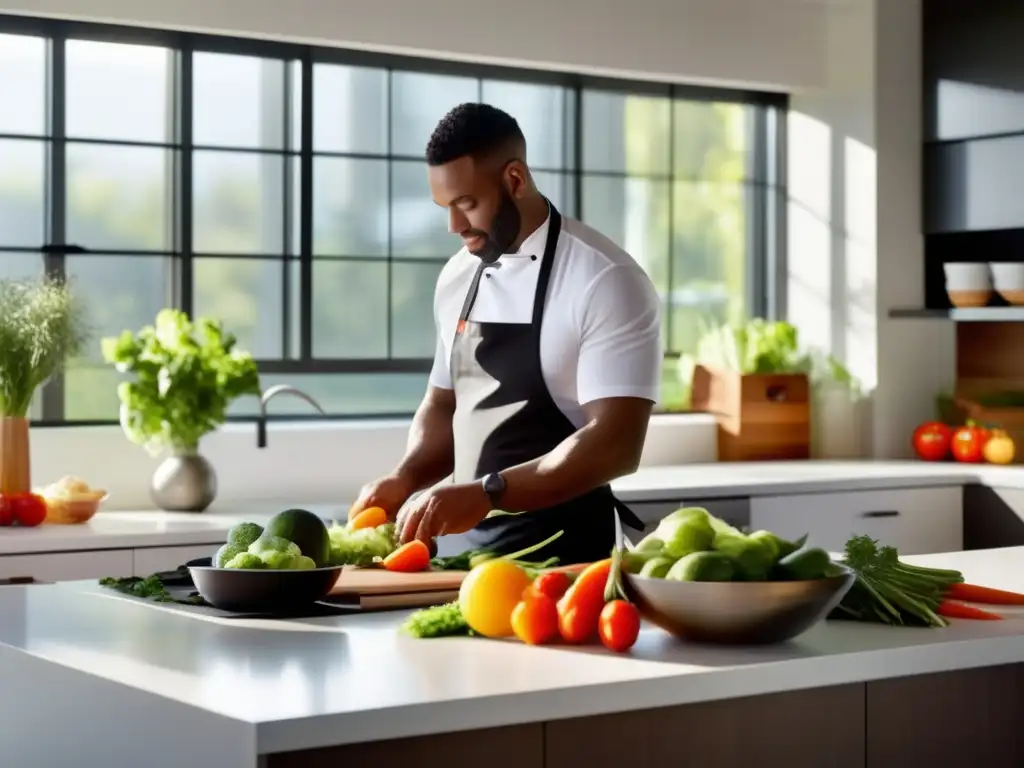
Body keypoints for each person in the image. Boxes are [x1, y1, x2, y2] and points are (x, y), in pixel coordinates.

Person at [350, 102, 662, 564]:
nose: (454, 226)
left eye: (466, 204)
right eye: (445, 207)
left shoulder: (605, 279)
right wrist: (406, 475)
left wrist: (489, 492)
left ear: (515, 180)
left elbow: (616, 443)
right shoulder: (457, 276)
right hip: (459, 558)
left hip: (567, 561)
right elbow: (444, 403)